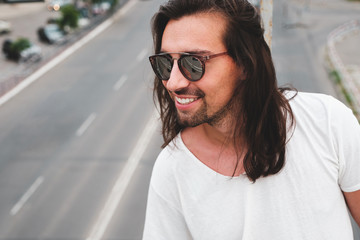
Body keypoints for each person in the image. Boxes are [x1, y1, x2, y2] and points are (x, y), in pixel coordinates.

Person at [143, 0, 360, 239]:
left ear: (245, 63)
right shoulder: (172, 170)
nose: (173, 83)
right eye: (165, 63)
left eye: (194, 63)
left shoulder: (328, 122)